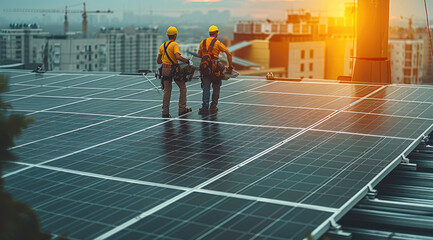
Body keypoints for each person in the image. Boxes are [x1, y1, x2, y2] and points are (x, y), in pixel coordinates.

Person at [197, 25, 233, 115]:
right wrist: (230, 67)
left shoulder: (203, 42)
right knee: (216, 87)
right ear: (216, 33)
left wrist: (206, 60)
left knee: (206, 88)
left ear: (209, 33)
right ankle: (213, 106)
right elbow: (229, 54)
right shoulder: (217, 43)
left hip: (205, 70)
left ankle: (204, 108)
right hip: (215, 69)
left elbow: (198, 55)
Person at [157, 26, 191, 118]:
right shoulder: (174, 44)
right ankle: (182, 109)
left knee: (167, 91)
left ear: (168, 35)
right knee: (183, 88)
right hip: (174, 70)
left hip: (164, 69)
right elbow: (178, 57)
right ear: (175, 35)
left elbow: (158, 61)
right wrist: (187, 61)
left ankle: (165, 112)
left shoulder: (162, 45)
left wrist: (166, 60)